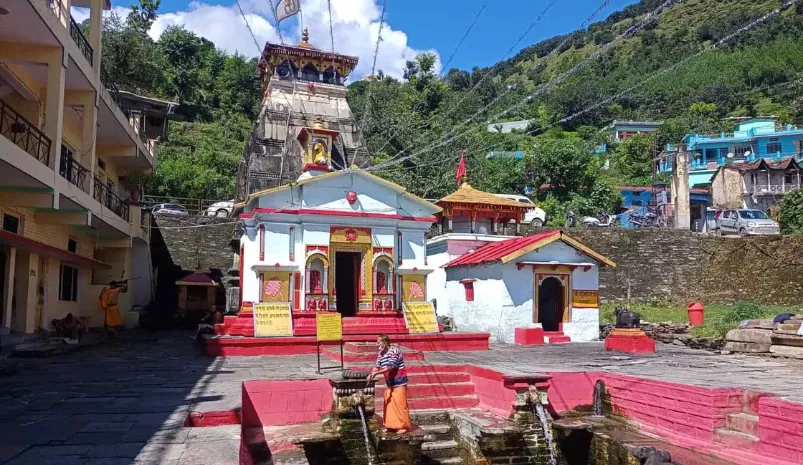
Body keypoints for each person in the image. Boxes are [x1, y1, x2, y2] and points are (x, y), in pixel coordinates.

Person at [367, 334, 412, 434]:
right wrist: (372, 373)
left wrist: (377, 373)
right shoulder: (381, 353)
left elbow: (390, 366)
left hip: (399, 381)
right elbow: (377, 365)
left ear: (385, 342)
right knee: (389, 404)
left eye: (379, 342)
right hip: (390, 382)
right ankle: (391, 425)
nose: (377, 344)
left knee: (400, 404)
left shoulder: (394, 351)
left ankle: (402, 426)